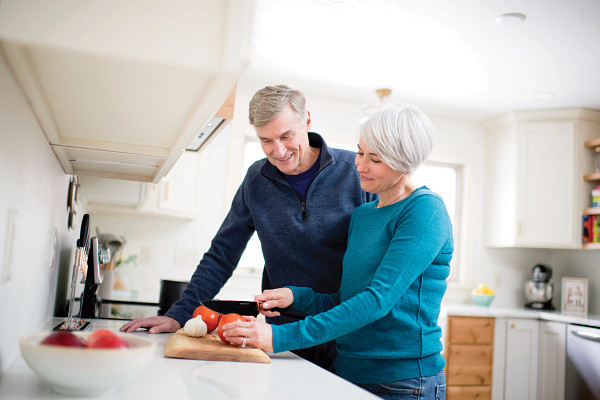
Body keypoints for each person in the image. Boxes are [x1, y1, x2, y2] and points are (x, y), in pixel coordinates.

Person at [120, 85, 377, 370]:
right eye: (265, 140)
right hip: (282, 338)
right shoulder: (257, 180)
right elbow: (222, 253)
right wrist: (180, 314)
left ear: (306, 121)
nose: (278, 151)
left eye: (286, 136)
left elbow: (379, 267)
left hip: (347, 336)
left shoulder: (356, 173)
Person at [221, 105, 453, 400]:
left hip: (404, 381)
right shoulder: (364, 215)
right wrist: (298, 297)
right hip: (346, 372)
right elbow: (348, 299)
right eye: (360, 152)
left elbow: (377, 301)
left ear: (404, 163)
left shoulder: (424, 211)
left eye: (376, 159)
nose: (360, 165)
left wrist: (280, 337)